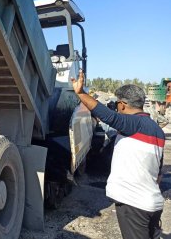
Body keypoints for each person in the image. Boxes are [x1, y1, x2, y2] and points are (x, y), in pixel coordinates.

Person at [71, 69, 165, 239]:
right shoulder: (157, 130)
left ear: (121, 104)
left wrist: (80, 92)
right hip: (153, 203)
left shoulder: (133, 123)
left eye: (118, 106)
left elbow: (108, 117)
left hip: (135, 205)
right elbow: (159, 174)